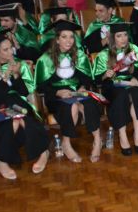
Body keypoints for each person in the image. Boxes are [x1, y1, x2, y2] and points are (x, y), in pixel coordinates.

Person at [0, 31, 49, 178]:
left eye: (11, 48)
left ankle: (43, 152)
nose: (11, 52)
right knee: (11, 122)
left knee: (24, 119)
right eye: (6, 49)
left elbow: (25, 91)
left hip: (17, 103)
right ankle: (1, 160)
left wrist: (16, 75)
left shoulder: (18, 64)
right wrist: (4, 79)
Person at [36, 20, 102, 163]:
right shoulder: (45, 59)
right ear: (57, 39)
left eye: (71, 37)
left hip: (76, 92)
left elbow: (87, 79)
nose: (69, 40)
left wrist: (82, 87)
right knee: (71, 106)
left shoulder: (80, 55)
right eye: (64, 37)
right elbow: (41, 87)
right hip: (56, 96)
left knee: (90, 103)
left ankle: (98, 140)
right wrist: (57, 92)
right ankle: (66, 143)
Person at [92, 22, 138, 156]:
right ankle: (122, 135)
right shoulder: (104, 54)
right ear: (112, 38)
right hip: (113, 86)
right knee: (120, 96)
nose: (123, 39)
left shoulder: (133, 49)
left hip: (131, 82)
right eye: (119, 36)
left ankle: (137, 135)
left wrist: (135, 78)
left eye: (125, 35)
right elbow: (96, 80)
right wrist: (105, 75)